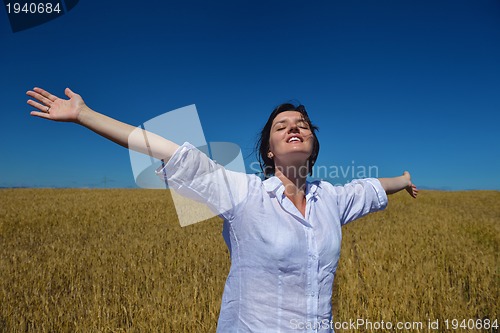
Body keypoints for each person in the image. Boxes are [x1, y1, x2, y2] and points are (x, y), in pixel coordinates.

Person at [27, 87, 418, 332]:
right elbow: (164, 148)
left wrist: (402, 179)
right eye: (281, 126)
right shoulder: (243, 193)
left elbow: (369, 187)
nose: (293, 127)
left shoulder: (330, 198)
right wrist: (83, 115)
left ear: (313, 145)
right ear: (269, 149)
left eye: (302, 124)